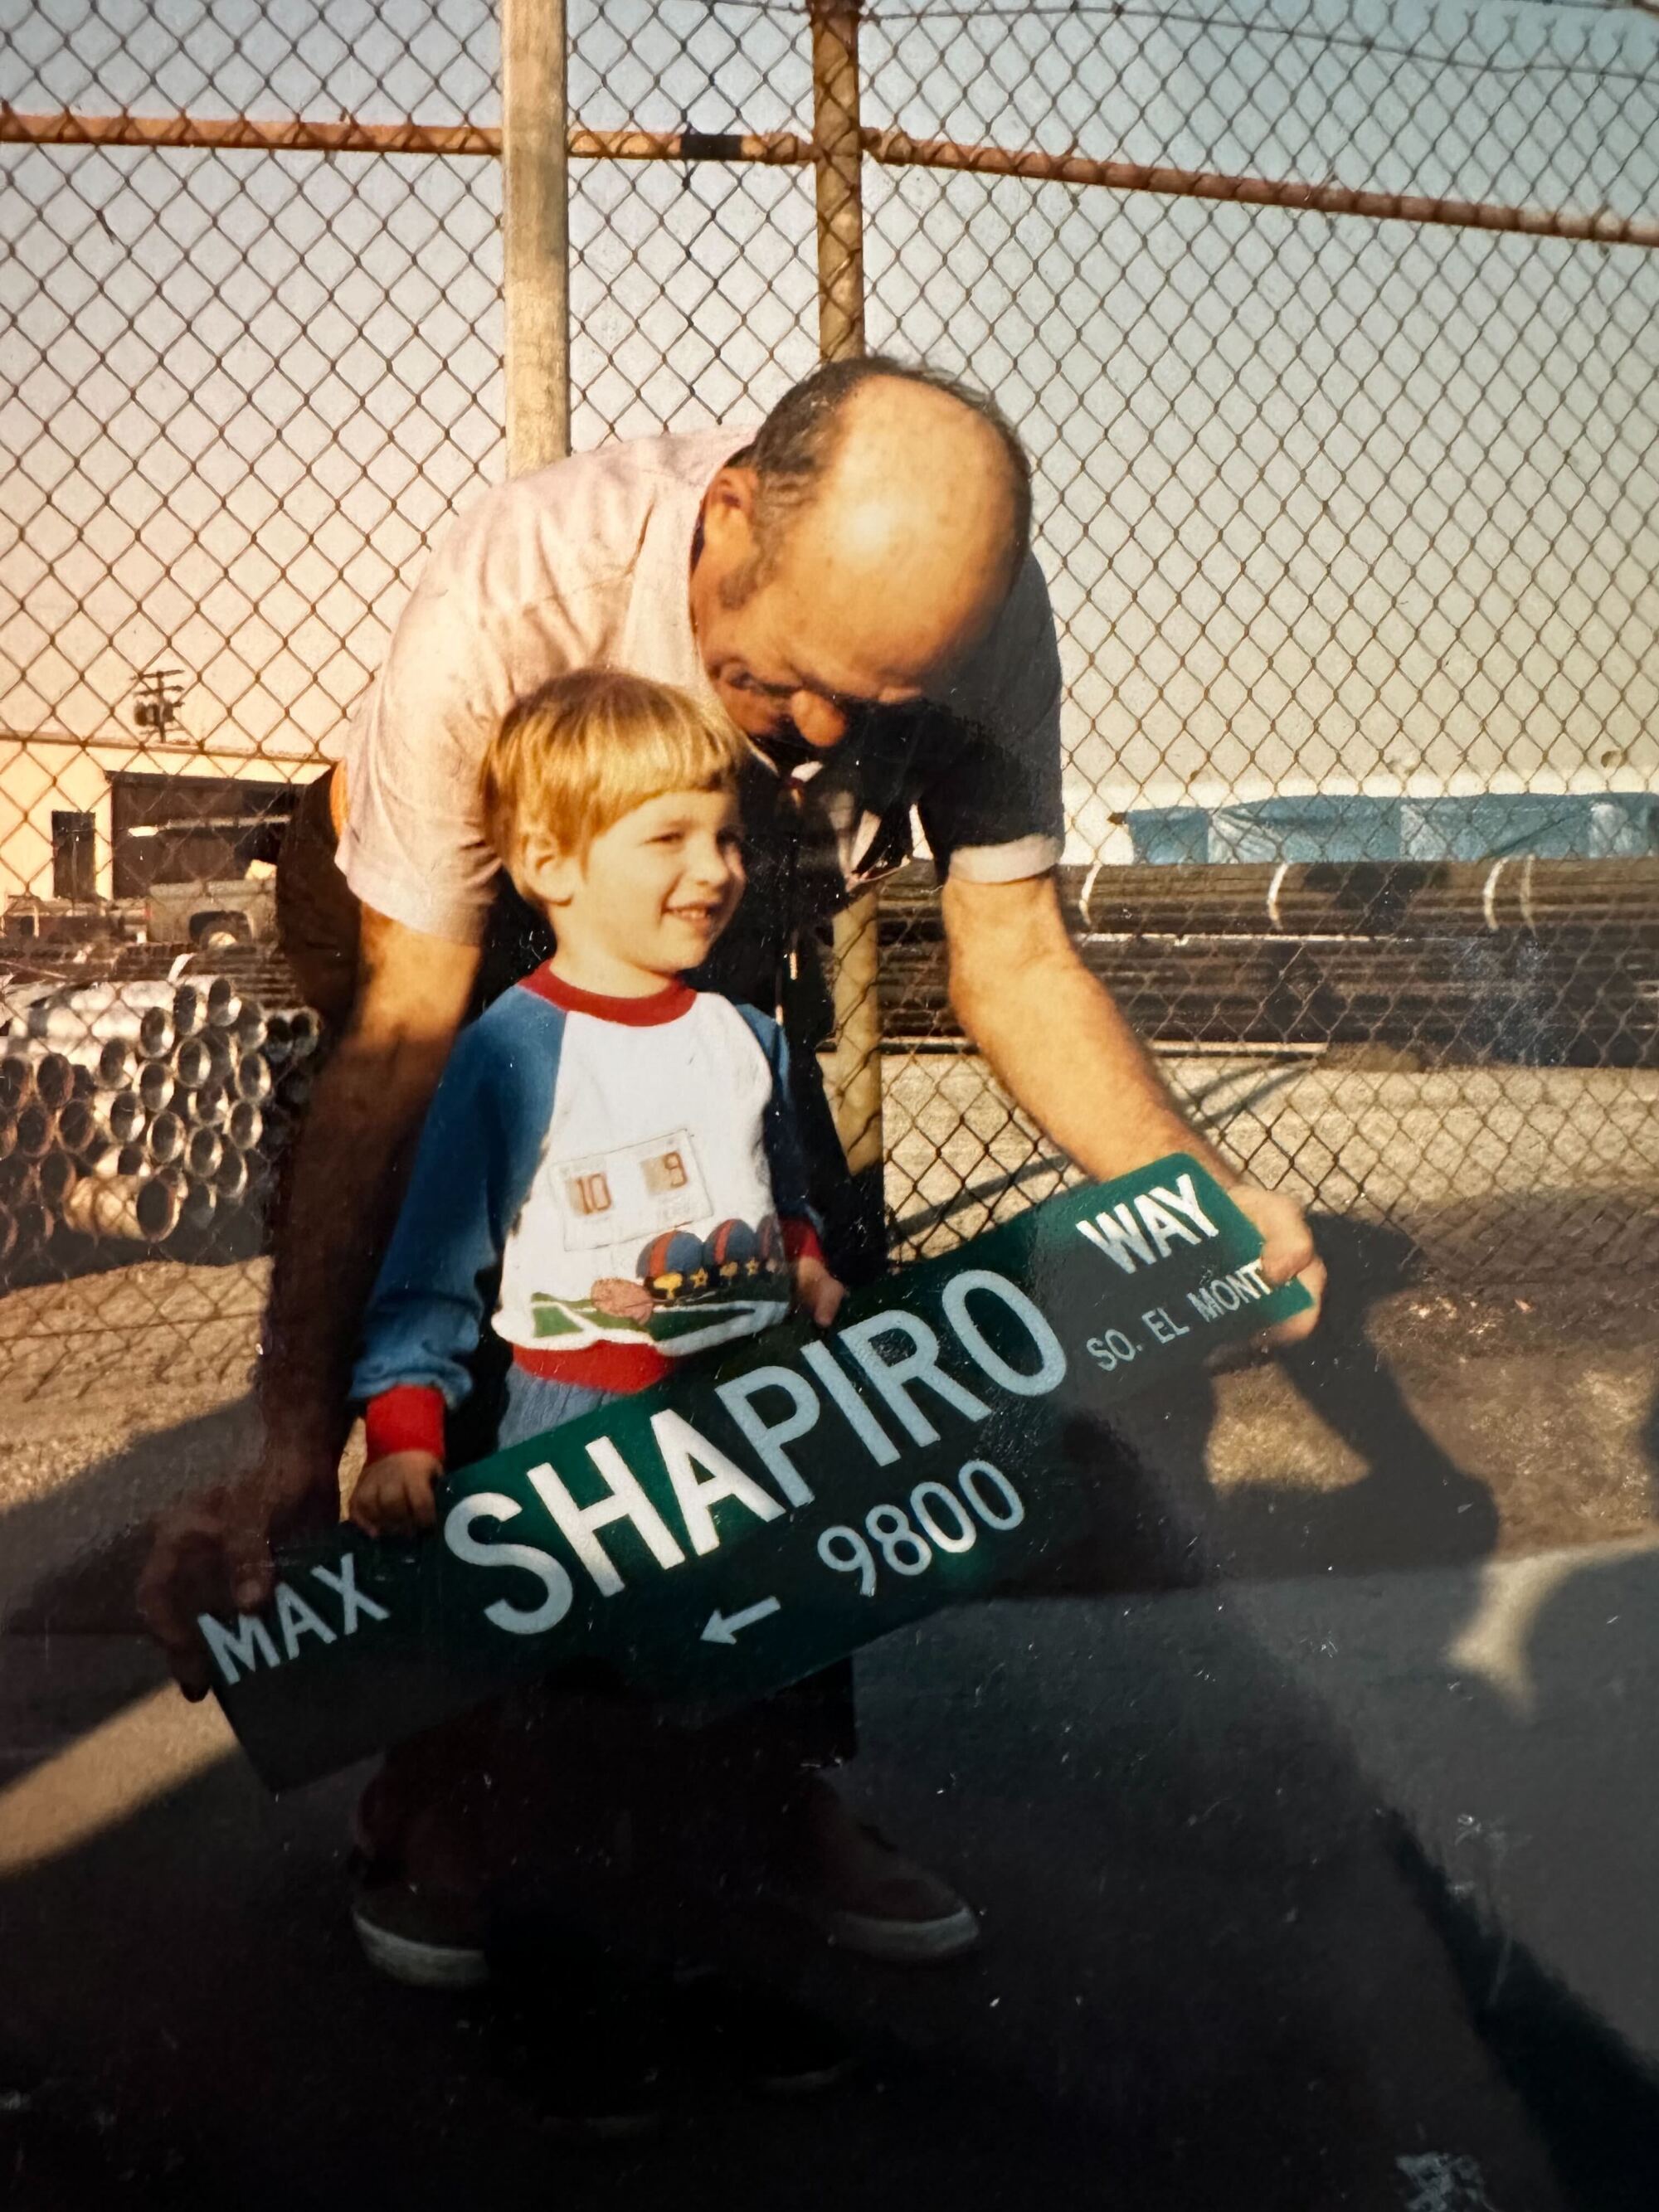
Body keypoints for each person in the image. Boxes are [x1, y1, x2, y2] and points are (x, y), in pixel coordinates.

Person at [139, 354, 1325, 1962]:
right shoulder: (526, 587)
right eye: (784, 690)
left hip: (709, 925)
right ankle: (459, 1763)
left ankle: (769, 1774)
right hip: (432, 918)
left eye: (880, 712)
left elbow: (1015, 956)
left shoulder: (976, 617)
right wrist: (296, 1430)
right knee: (524, 1256)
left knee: (772, 1282)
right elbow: (409, 1032)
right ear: (735, 519)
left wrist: (1206, 1209)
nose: (830, 739)